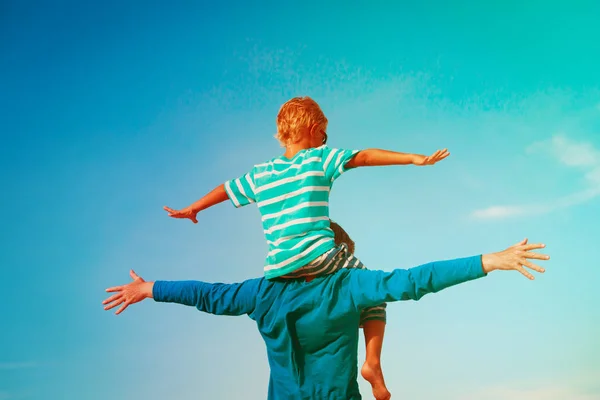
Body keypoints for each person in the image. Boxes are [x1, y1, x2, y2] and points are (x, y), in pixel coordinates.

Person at [162, 97, 450, 399]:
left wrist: (194, 208)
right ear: (314, 130)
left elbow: (226, 189)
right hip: (321, 258)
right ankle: (373, 362)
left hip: (279, 269)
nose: (324, 142)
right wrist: (413, 158)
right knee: (374, 287)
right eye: (324, 136)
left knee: (363, 289)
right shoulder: (318, 159)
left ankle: (369, 365)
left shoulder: (261, 173)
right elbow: (364, 157)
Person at [103, 227, 548, 399]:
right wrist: (489, 260)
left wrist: (150, 288)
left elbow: (209, 294)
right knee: (378, 293)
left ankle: (374, 363)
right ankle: (374, 362)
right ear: (335, 254)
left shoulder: (262, 293)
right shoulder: (349, 284)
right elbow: (414, 280)